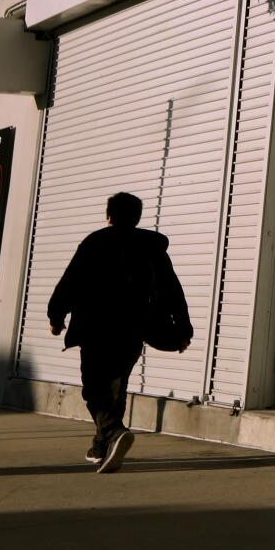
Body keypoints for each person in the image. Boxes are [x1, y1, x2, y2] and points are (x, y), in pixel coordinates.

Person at [47, 192, 190, 473]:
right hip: (133, 328)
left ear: (109, 216)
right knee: (115, 386)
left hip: (96, 326)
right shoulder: (151, 249)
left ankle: (113, 433)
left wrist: (56, 316)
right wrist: (183, 329)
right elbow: (173, 289)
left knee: (93, 388)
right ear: (137, 217)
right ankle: (102, 445)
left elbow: (71, 281)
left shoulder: (95, 242)